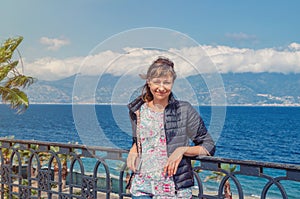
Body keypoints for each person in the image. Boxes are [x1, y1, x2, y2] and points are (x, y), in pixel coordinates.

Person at [127, 57, 215, 199]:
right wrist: (134, 148)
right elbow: (140, 140)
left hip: (174, 191)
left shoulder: (184, 110)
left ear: (172, 83)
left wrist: (182, 150)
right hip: (141, 188)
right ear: (149, 82)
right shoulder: (138, 111)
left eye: (166, 82)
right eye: (156, 82)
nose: (161, 88)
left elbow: (209, 146)